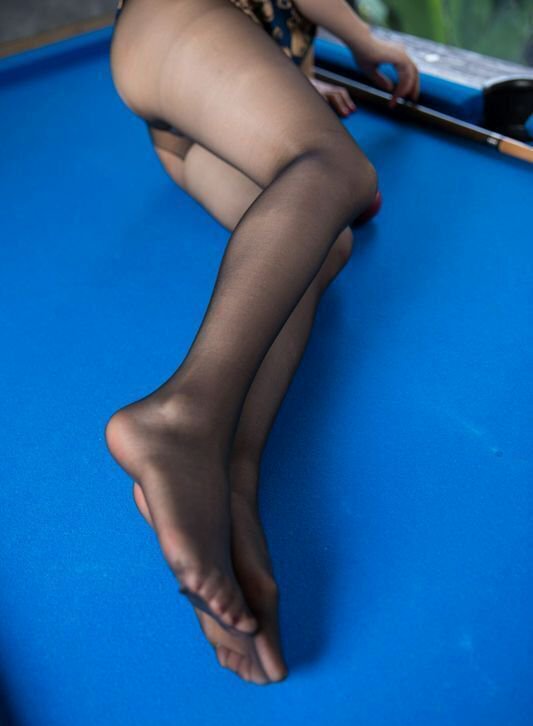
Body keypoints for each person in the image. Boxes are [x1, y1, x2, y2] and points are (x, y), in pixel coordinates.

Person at [106, 0, 420, 685]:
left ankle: (231, 480)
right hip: (178, 20)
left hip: (181, 99)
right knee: (339, 169)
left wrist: (289, 88)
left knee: (322, 245)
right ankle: (179, 419)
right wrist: (364, 40)